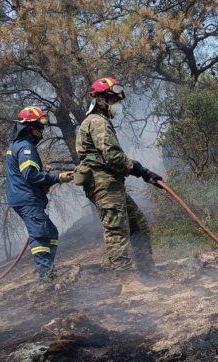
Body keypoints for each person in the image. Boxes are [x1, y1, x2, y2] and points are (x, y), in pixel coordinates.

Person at [74, 77, 163, 291]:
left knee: (137, 225)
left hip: (112, 183)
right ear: (102, 101)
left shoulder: (101, 122)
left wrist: (140, 170)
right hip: (103, 183)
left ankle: (147, 273)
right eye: (113, 100)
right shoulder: (96, 122)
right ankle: (128, 282)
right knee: (117, 229)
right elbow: (113, 157)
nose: (117, 105)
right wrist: (139, 169)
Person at [5, 106, 74, 283]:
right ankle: (46, 278)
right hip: (27, 200)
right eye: (39, 127)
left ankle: (48, 271)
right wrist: (57, 178)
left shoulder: (16, 146)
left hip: (24, 198)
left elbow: (23, 176)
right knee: (42, 235)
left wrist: (43, 186)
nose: (42, 131)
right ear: (29, 128)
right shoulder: (26, 147)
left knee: (50, 233)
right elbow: (30, 174)